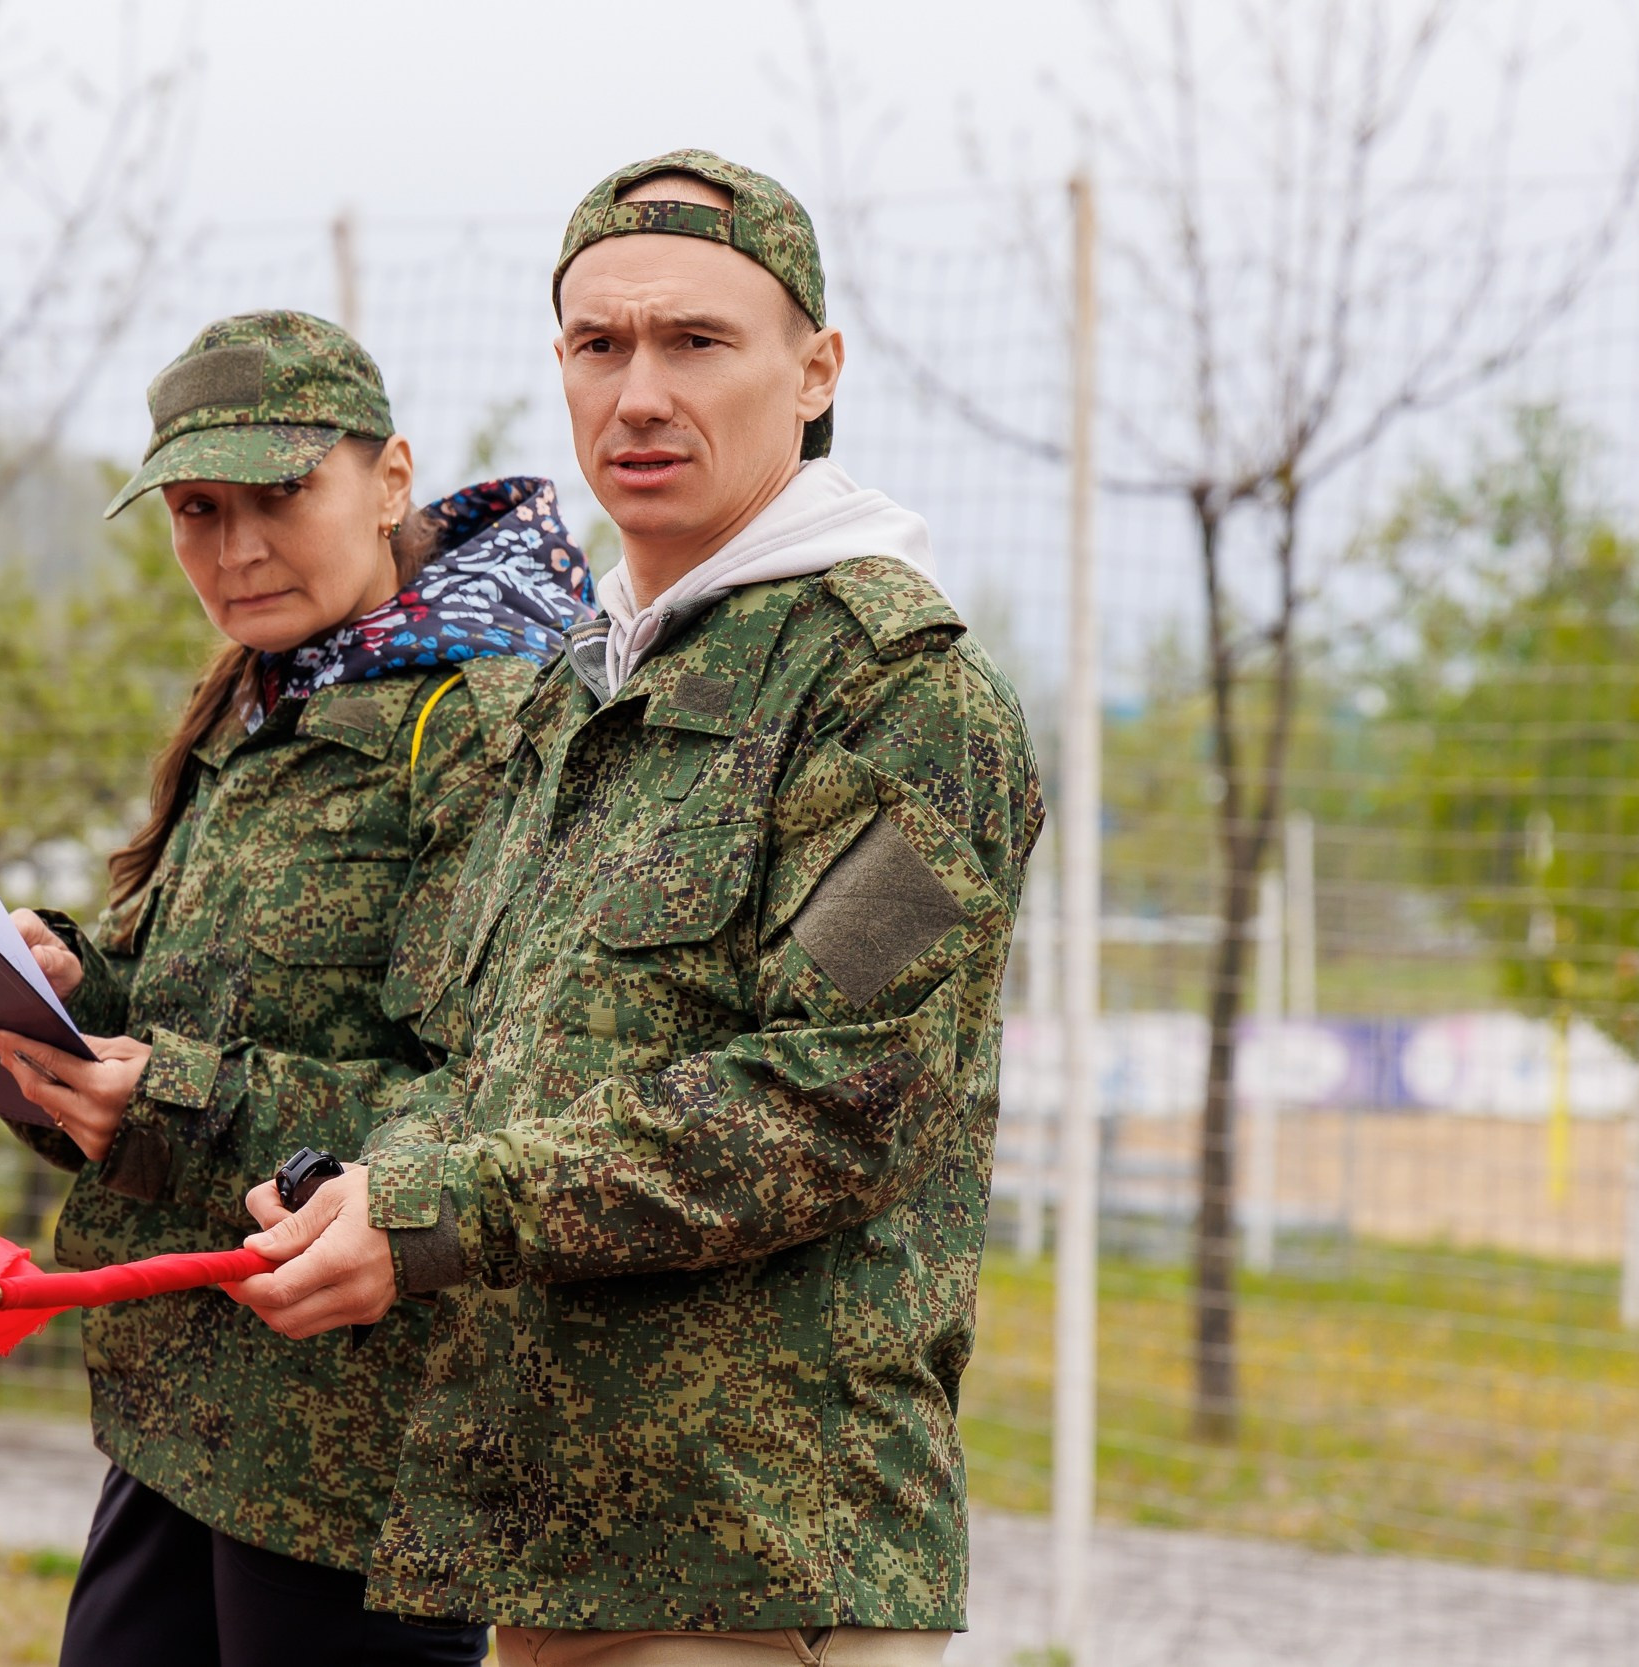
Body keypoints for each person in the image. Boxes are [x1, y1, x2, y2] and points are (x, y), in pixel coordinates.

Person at [226, 153, 1044, 1664]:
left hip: (758, 1561)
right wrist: (359, 1184)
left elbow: (829, 1098)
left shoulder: (903, 699)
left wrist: (441, 1214)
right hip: (554, 1543)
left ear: (816, 373)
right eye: (599, 345)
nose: (640, 395)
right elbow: (494, 1070)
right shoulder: (580, 694)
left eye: (697, 342)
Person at [0, 308, 595, 1667]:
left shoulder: (488, 720)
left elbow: (491, 1103)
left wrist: (168, 1104)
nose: (237, 548)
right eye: (197, 510)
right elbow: (208, 1003)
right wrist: (73, 990)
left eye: (280, 496)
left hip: (360, 1444)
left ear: (390, 480)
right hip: (188, 1398)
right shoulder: (267, 690)